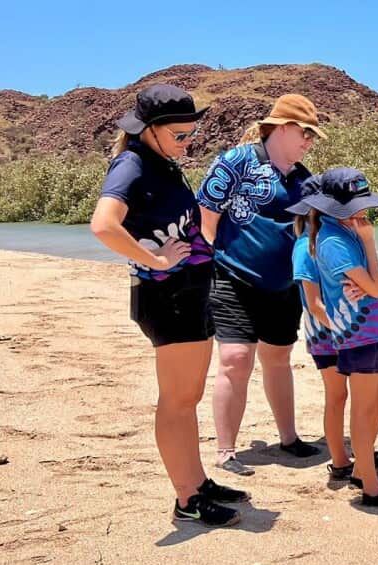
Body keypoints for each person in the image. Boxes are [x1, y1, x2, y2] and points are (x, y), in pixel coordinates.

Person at [90, 83, 247, 527]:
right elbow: (103, 225)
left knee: (188, 397)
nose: (187, 142)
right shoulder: (132, 164)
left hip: (188, 295)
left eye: (190, 134)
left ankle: (197, 481)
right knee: (177, 401)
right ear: (149, 130)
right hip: (167, 299)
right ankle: (186, 499)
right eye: (179, 135)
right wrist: (155, 259)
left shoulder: (160, 163)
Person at [196, 94, 325, 477]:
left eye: (312, 136)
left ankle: (289, 439)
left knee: (279, 359)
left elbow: (311, 236)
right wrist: (205, 267)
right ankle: (226, 450)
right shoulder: (235, 162)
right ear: (282, 127)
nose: (309, 141)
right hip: (231, 277)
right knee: (235, 359)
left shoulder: (305, 181)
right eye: (305, 133)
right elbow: (206, 217)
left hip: (284, 287)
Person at [287, 167, 378, 510]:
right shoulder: (327, 242)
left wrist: (374, 281)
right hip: (352, 333)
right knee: (355, 404)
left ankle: (361, 466)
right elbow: (373, 287)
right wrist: (372, 265)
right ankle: (366, 481)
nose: (363, 212)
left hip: (364, 330)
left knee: (375, 402)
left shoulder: (345, 234)